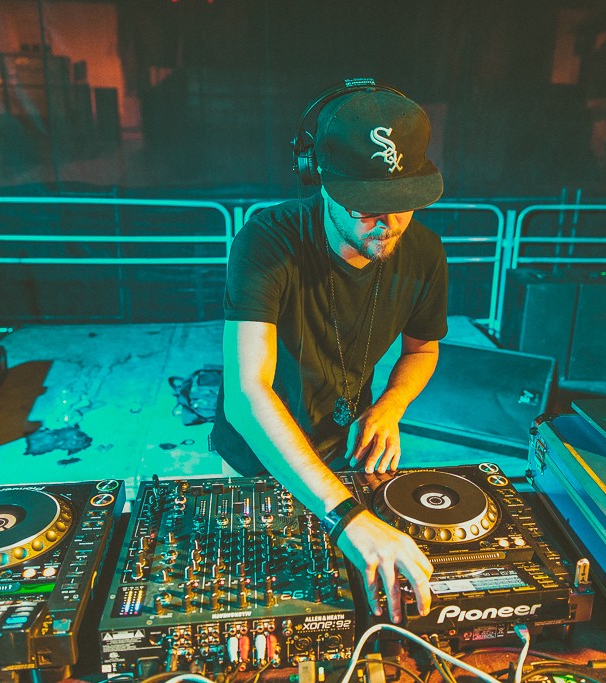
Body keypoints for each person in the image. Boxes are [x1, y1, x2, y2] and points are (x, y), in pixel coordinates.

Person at [210, 81, 448, 623]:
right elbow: (247, 393)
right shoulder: (267, 240)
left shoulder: (425, 253)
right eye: (368, 205)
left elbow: (422, 350)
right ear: (320, 180)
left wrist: (389, 407)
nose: (389, 223)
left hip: (346, 455)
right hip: (257, 459)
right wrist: (345, 518)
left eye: (403, 203)